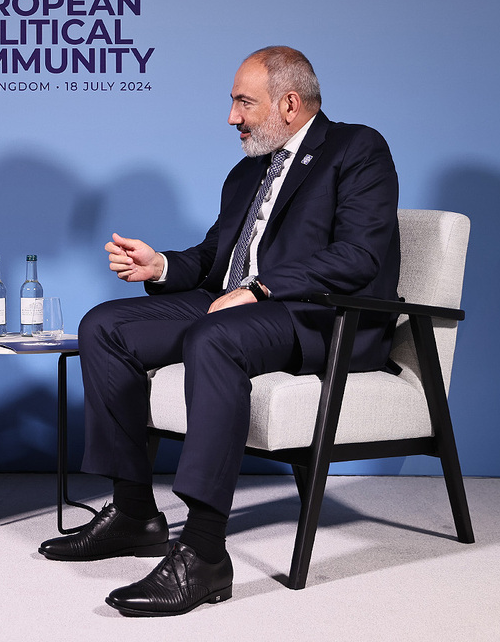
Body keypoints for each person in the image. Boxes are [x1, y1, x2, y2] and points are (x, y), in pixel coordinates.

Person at [39, 46, 400, 616]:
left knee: (214, 337)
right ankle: (134, 512)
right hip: (236, 305)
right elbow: (215, 258)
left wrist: (261, 288)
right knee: (104, 325)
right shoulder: (248, 171)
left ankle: (204, 552)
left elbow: (359, 256)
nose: (232, 117)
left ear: (289, 104)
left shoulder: (356, 149)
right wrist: (161, 266)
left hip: (316, 315)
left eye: (243, 102)